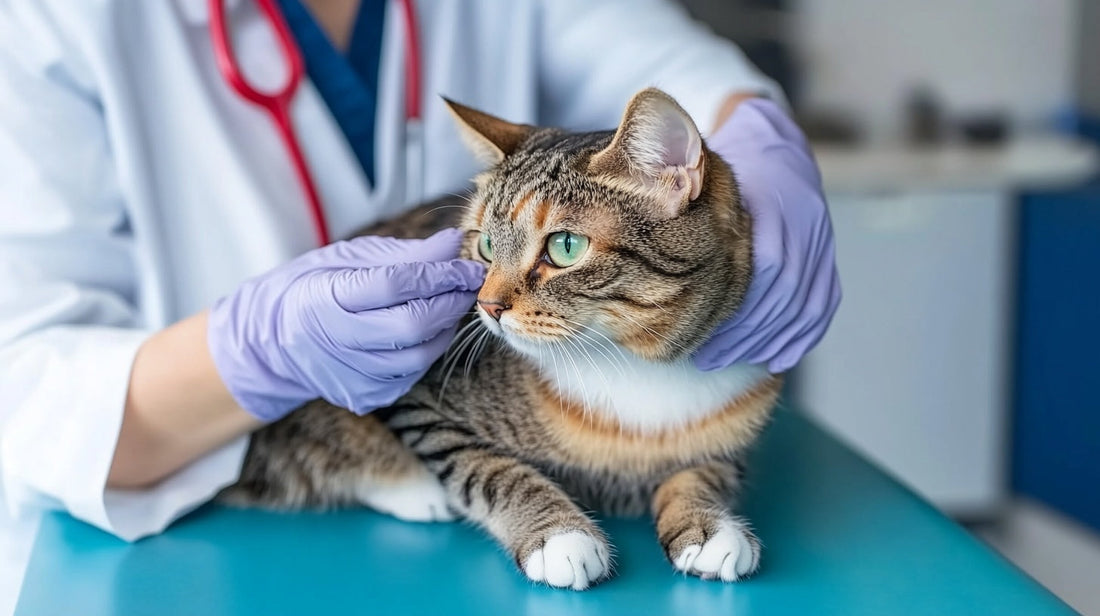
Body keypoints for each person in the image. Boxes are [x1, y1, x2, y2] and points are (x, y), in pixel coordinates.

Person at [0, 0, 840, 610]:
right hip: (163, 547)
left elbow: (683, 76)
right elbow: (23, 392)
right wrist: (251, 352)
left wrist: (762, 147)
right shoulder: (49, 21)